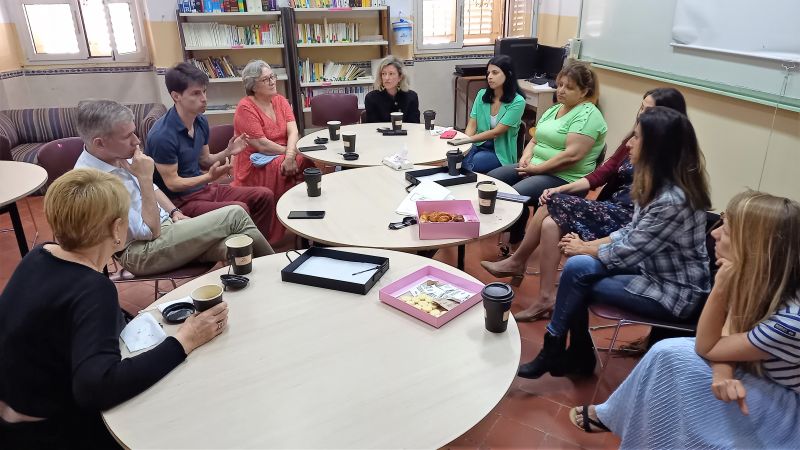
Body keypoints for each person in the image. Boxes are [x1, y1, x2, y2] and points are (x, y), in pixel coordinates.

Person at [0, 169, 228, 449]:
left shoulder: (38, 255)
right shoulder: (93, 289)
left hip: (12, 415)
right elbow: (96, 388)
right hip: (52, 432)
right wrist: (185, 340)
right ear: (117, 228)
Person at [570, 191, 800, 449]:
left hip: (791, 410)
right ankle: (622, 417)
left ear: (756, 248)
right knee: (669, 356)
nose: (714, 234)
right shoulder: (757, 282)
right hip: (751, 365)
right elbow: (729, 330)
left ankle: (626, 420)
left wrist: (721, 286)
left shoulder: (790, 322)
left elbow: (708, 346)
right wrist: (722, 370)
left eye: (728, 229)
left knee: (670, 354)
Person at [517, 106, 712, 380]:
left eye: (637, 137)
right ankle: (564, 350)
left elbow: (629, 252)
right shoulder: (656, 185)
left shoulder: (672, 200)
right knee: (577, 267)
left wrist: (585, 246)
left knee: (577, 276)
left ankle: (561, 350)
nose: (629, 143)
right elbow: (630, 233)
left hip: (671, 291)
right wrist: (586, 248)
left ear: (657, 147)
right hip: (650, 270)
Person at [480, 88, 687, 322]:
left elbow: (636, 236)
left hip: (625, 218)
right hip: (614, 211)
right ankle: (545, 297)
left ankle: (518, 262)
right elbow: (602, 174)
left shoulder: (670, 172)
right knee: (549, 222)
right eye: (641, 106)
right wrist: (560, 189)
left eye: (649, 110)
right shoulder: (635, 144)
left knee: (551, 203)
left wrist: (586, 247)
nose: (641, 114)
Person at [74, 99, 273, 276]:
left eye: (134, 132)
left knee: (240, 242)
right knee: (234, 214)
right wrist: (144, 177)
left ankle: (265, 297)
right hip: (140, 251)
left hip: (167, 229)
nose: (137, 140)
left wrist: (174, 211)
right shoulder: (93, 183)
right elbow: (150, 231)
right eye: (127, 136)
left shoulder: (115, 155)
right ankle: (283, 273)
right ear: (99, 143)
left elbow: (153, 189)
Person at [145, 62, 278, 243]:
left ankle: (258, 248)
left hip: (205, 190)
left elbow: (206, 160)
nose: (204, 98)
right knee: (239, 209)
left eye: (204, 91)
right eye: (196, 93)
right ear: (176, 96)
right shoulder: (163, 135)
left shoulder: (200, 121)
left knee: (264, 195)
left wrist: (228, 151)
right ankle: (241, 254)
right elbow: (173, 184)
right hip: (180, 202)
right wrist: (209, 177)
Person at [487, 60, 607, 244]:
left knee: (515, 194)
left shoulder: (588, 115)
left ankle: (515, 241)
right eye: (559, 85)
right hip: (537, 166)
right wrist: (526, 158)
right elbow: (534, 139)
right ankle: (514, 228)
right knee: (492, 180)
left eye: (569, 87)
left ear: (584, 92)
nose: (561, 90)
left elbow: (572, 156)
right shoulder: (555, 109)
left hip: (564, 176)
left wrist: (537, 169)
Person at [232, 59, 316, 243]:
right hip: (256, 163)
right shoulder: (245, 107)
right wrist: (290, 155)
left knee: (308, 162)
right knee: (282, 166)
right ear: (253, 85)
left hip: (284, 153)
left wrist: (290, 155)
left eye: (272, 76)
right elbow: (261, 145)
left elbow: (293, 130)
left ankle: (311, 216)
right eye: (266, 79)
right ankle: (274, 233)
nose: (272, 81)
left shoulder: (280, 100)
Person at [450, 54, 526, 174]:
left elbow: (497, 132)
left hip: (498, 151)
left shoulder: (518, 101)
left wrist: (466, 140)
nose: (489, 77)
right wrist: (465, 144)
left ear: (508, 74)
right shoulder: (482, 94)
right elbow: (472, 124)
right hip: (478, 143)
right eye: (488, 73)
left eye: (495, 73)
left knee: (470, 163)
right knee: (454, 158)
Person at [364, 55, 420, 124]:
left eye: (391, 74)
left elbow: (414, 125)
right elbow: (371, 127)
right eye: (383, 74)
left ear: (400, 77)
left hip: (406, 134)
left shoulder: (411, 97)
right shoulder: (371, 98)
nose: (386, 78)